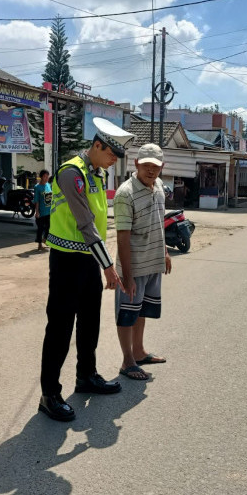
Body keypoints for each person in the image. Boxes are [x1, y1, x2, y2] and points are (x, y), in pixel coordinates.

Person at [38, 117, 134, 422]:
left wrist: (101, 262)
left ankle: (86, 375)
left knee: (90, 322)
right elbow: (85, 224)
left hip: (89, 261)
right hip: (66, 261)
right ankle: (49, 394)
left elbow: (102, 220)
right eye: (110, 155)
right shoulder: (71, 173)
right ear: (96, 145)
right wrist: (109, 266)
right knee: (60, 328)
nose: (112, 162)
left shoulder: (97, 174)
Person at [113, 143, 171, 380]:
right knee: (127, 313)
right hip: (133, 267)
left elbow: (159, 223)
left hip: (153, 262)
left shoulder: (158, 187)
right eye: (146, 165)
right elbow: (122, 237)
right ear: (136, 164)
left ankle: (139, 352)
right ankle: (127, 361)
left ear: (162, 167)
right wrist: (127, 276)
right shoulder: (125, 193)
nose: (151, 170)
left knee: (141, 311)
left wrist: (165, 252)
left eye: (155, 166)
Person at [33, 169, 52, 250]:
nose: (46, 178)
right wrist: (37, 212)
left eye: (47, 176)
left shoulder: (48, 185)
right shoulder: (37, 187)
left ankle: (45, 239)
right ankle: (39, 244)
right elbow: (36, 200)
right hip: (41, 211)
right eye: (45, 176)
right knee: (40, 228)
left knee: (49, 227)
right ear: (41, 177)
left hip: (49, 211)